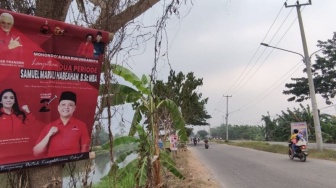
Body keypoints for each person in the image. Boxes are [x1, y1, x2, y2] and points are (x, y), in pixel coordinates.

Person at [33, 91, 90, 157]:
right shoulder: (49, 126)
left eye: (70, 105)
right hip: (53, 165)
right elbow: (36, 153)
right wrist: (48, 135)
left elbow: (84, 150)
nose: (66, 107)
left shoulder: (81, 125)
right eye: (63, 104)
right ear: (58, 107)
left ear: (74, 108)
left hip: (72, 164)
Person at [0, 88, 34, 163]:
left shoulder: (19, 115)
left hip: (18, 152)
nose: (8, 100)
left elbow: (30, 124)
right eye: (5, 97)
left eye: (11, 98)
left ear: (14, 101)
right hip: (2, 154)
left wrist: (27, 111)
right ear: (1, 101)